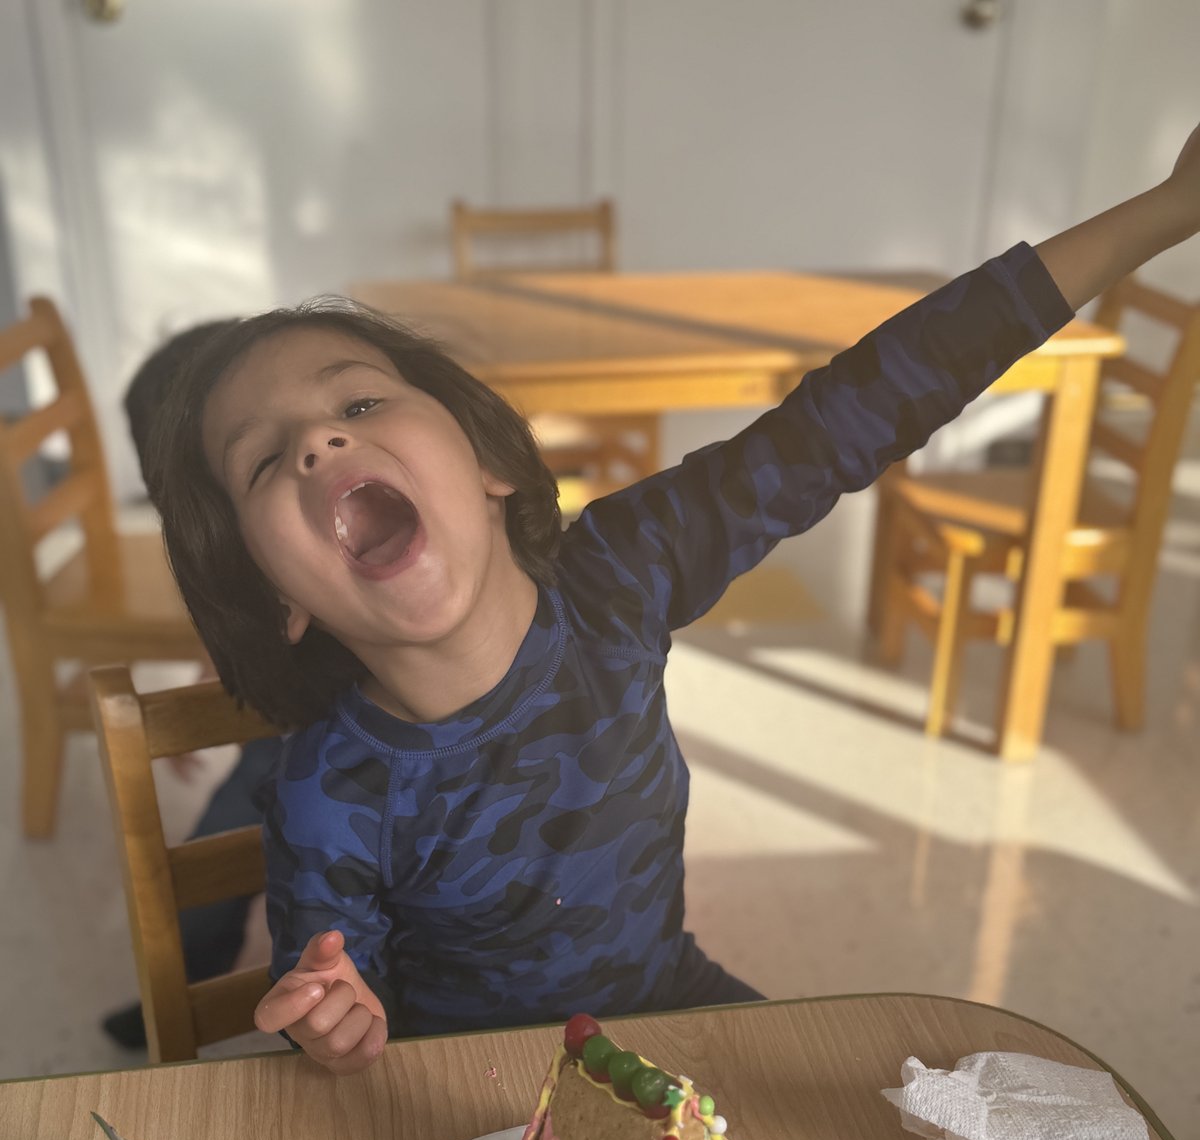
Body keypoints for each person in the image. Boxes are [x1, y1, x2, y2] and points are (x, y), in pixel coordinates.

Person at [149, 125, 1200, 1075]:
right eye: (263, 463)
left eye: (359, 401)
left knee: (878, 1129)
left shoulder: (620, 574)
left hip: (674, 1011)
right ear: (275, 594)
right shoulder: (323, 787)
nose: (319, 442)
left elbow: (874, 396)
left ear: (488, 466)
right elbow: (334, 995)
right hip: (471, 1090)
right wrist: (332, 1021)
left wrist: (1167, 205)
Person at [101, 322, 285, 1050]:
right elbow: (224, 611)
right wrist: (208, 678)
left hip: (317, 732)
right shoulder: (215, 530)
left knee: (220, 860)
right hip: (274, 715)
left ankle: (188, 994)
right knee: (206, 878)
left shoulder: (281, 516)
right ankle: (182, 996)